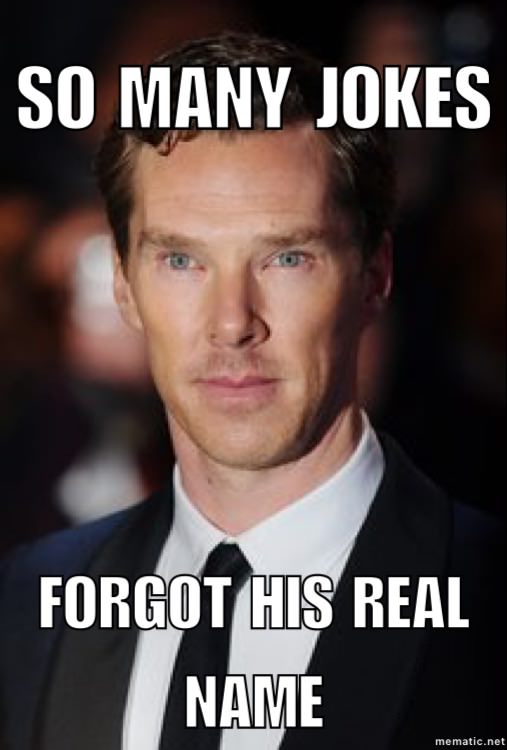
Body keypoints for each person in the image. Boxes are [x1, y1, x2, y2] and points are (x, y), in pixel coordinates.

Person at [0, 31, 504, 750]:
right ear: (123, 283)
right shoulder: (28, 606)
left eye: (286, 257)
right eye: (181, 260)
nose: (232, 323)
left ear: (373, 275)